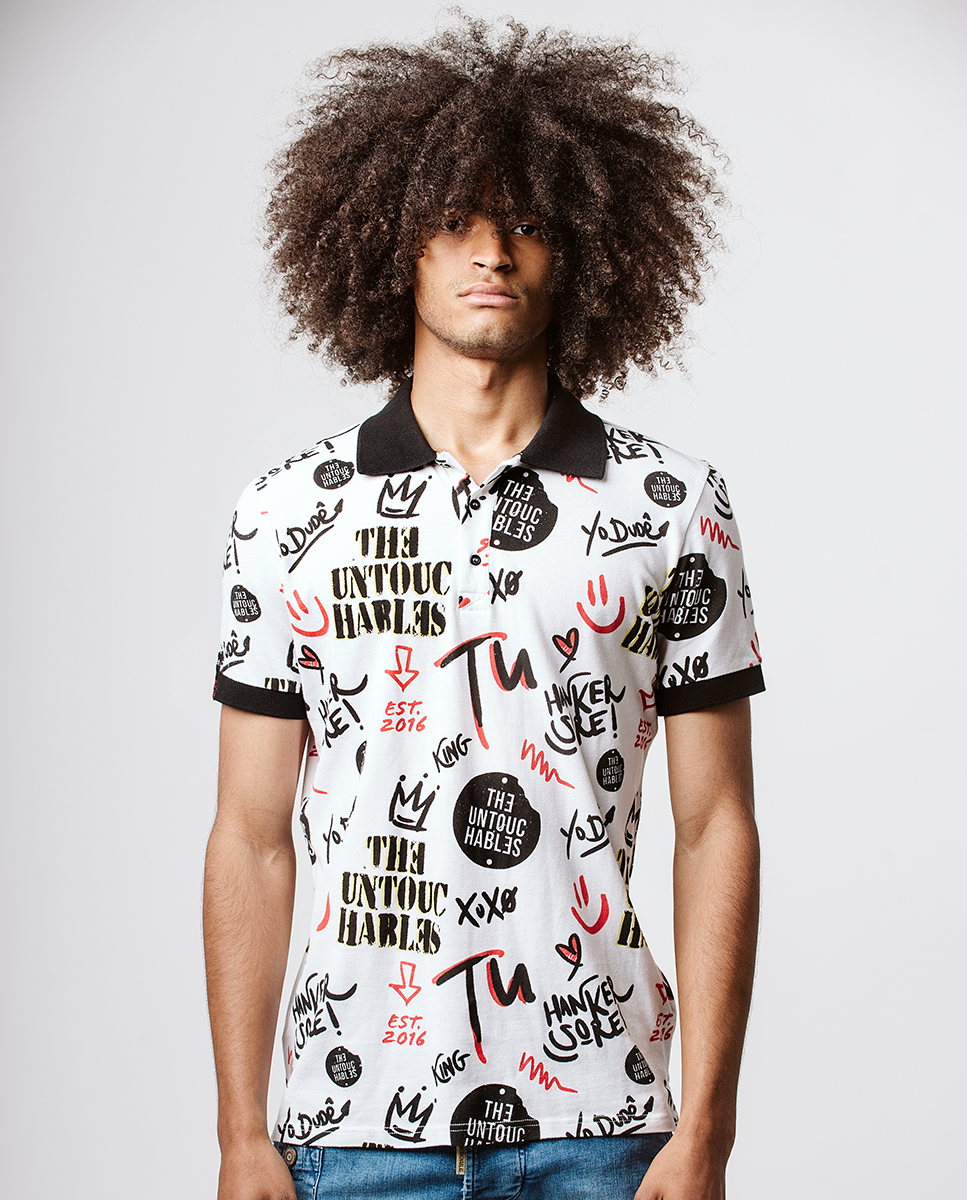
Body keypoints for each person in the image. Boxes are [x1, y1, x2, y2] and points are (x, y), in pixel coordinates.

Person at [204, 15, 764, 1200]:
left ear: (589, 248)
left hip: (605, 1125)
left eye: (529, 221)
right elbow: (249, 836)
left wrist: (706, 1128)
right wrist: (240, 1134)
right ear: (388, 243)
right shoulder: (289, 511)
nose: (492, 252)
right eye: (453, 218)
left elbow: (715, 822)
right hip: (348, 1131)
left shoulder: (669, 506)